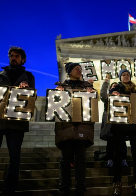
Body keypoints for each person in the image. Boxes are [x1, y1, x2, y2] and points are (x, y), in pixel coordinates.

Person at [0, 47, 35, 196]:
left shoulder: (28, 76)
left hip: (16, 122)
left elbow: (32, 99)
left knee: (14, 159)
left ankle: (9, 191)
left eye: (16, 56)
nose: (13, 58)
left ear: (23, 59)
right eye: (11, 56)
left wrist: (27, 90)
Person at [55, 62, 95, 196]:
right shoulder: (60, 87)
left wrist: (92, 94)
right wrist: (57, 95)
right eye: (76, 68)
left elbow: (93, 106)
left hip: (83, 128)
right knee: (65, 160)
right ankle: (63, 190)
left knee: (81, 160)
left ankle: (80, 190)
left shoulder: (88, 87)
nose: (79, 70)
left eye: (80, 68)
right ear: (69, 72)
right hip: (66, 128)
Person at [109, 69, 136, 196]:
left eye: (128, 75)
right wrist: (113, 92)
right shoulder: (115, 88)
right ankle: (117, 183)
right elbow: (110, 95)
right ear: (120, 77)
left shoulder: (135, 90)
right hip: (119, 124)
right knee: (118, 155)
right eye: (123, 75)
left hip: (134, 124)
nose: (126, 76)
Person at [99, 78, 128, 168]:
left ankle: (123, 159)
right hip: (110, 125)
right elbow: (103, 95)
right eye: (113, 86)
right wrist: (105, 83)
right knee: (110, 142)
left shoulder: (123, 97)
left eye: (116, 86)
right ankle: (110, 159)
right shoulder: (107, 98)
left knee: (122, 143)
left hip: (121, 124)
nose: (115, 88)